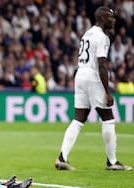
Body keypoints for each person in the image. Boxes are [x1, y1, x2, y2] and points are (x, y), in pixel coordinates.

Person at [55, 7, 132, 171]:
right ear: (102, 18)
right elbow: (102, 65)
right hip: (93, 75)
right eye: (111, 17)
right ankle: (112, 161)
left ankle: (62, 157)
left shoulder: (88, 33)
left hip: (80, 74)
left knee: (78, 119)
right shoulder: (102, 36)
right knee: (108, 116)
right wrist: (107, 91)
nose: (114, 20)